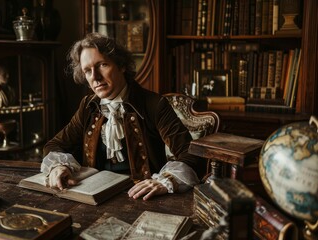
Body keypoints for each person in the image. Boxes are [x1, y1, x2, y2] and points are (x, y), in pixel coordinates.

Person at [41, 33, 207, 200]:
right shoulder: (88, 106)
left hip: (141, 196)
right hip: (94, 196)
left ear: (121, 66)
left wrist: (165, 181)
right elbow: (55, 144)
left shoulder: (153, 104)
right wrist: (59, 166)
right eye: (87, 71)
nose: (95, 77)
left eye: (102, 65)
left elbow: (191, 153)